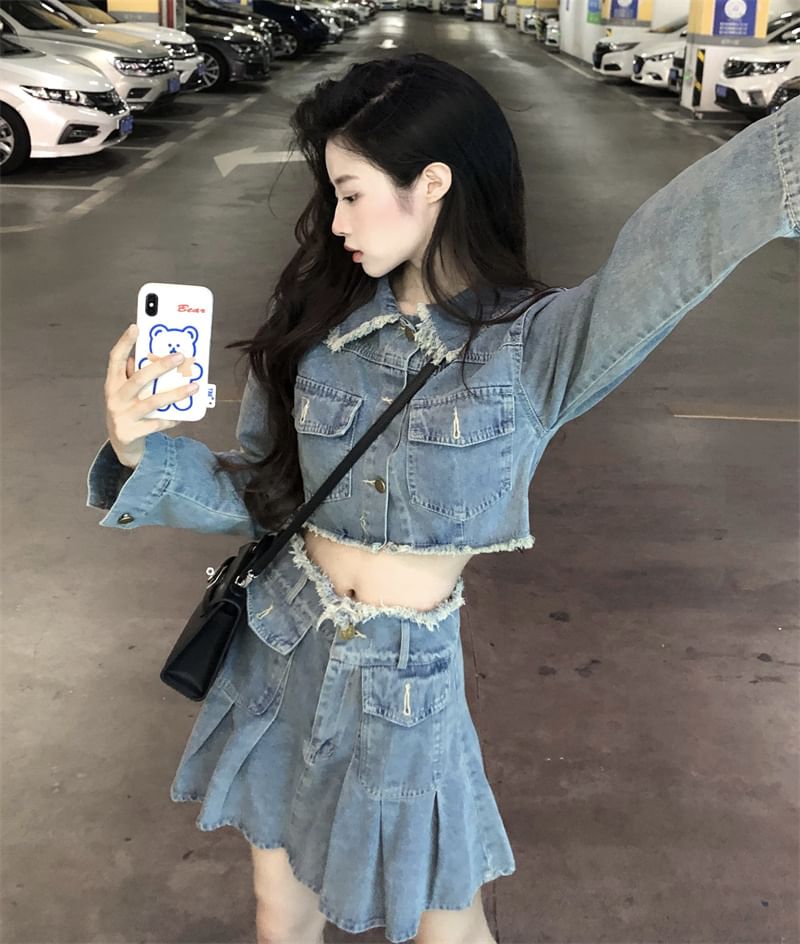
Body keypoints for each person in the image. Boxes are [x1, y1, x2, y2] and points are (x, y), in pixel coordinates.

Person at [87, 53, 799, 944]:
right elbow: (264, 499)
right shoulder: (316, 327)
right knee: (279, 913)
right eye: (333, 194)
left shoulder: (532, 349)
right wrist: (137, 449)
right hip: (281, 646)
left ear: (432, 182)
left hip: (406, 682)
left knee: (446, 928)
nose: (334, 220)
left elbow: (673, 244)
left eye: (351, 193)